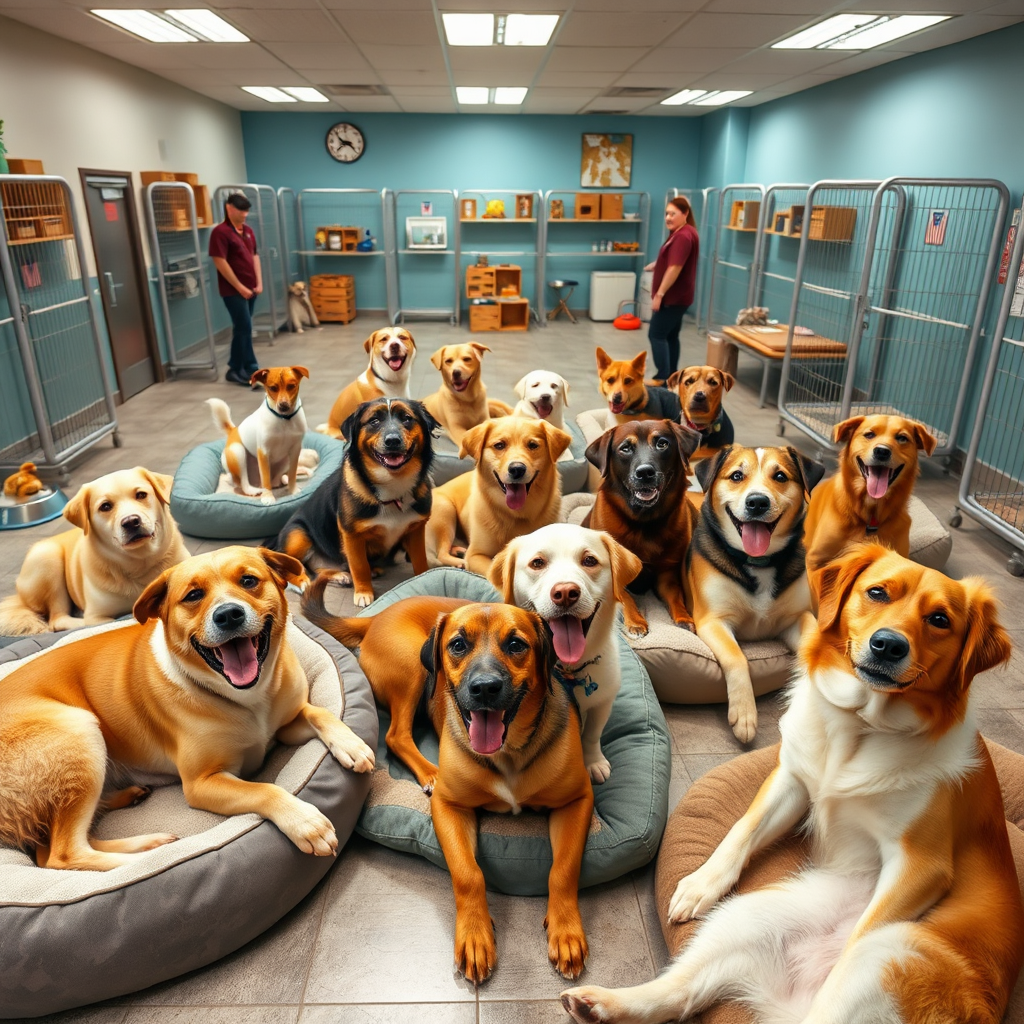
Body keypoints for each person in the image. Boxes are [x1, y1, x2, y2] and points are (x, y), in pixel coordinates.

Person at [209, 192, 262, 386]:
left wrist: (259, 282)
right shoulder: (220, 233)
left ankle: (234, 368)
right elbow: (220, 262)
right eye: (241, 211)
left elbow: (255, 256)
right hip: (233, 291)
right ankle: (250, 368)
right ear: (229, 208)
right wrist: (239, 287)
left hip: (251, 289)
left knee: (242, 329)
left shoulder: (247, 231)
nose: (245, 214)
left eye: (247, 211)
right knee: (244, 327)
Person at [646, 196, 699, 384]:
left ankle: (662, 376)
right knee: (670, 335)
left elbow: (675, 268)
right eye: (666, 214)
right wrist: (657, 264)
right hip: (680, 297)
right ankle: (672, 375)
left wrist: (659, 294)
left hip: (672, 298)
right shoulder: (682, 232)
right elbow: (673, 261)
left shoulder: (683, 236)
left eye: (673, 214)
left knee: (656, 334)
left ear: (685, 214)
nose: (668, 217)